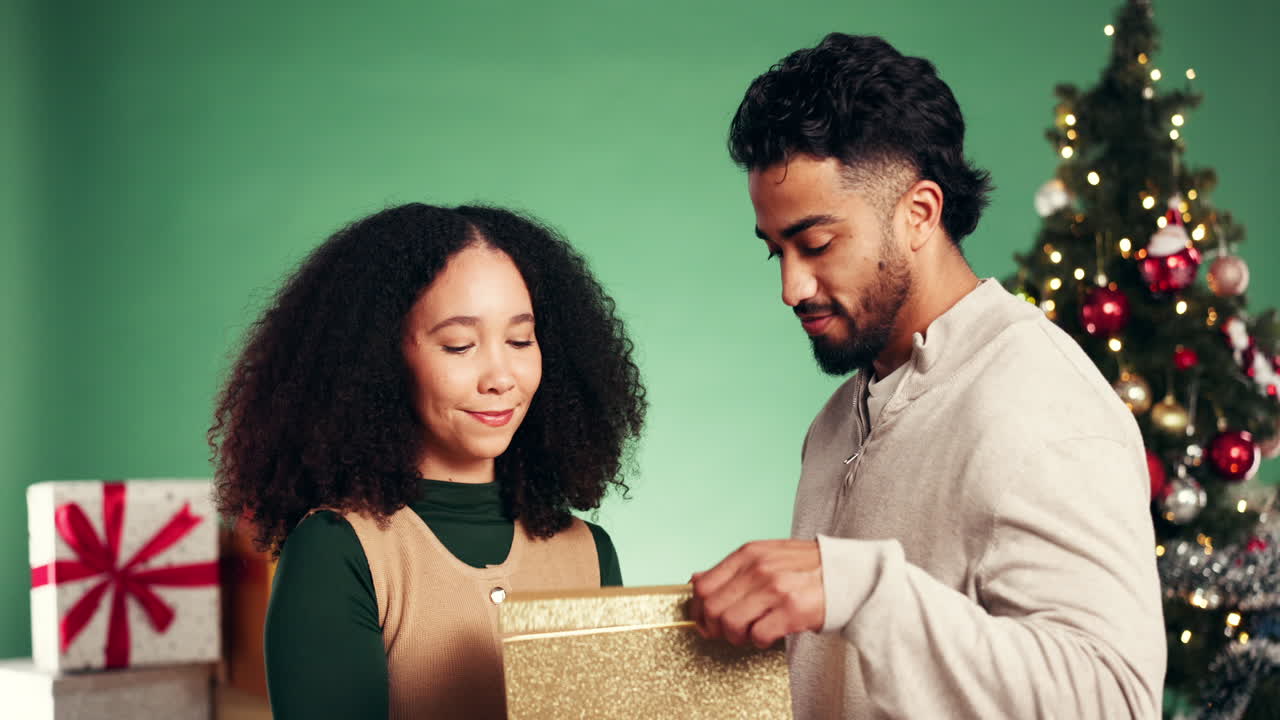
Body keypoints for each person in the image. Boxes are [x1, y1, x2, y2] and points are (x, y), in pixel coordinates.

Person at [689, 33, 1165, 719]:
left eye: (817, 245)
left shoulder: (1042, 402)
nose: (792, 287)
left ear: (919, 214)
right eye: (777, 253)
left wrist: (863, 588)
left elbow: (1113, 700)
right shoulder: (834, 424)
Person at [209, 203, 646, 720]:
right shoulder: (336, 549)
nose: (500, 377)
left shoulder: (591, 555)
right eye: (459, 345)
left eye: (520, 340)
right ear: (379, 361)